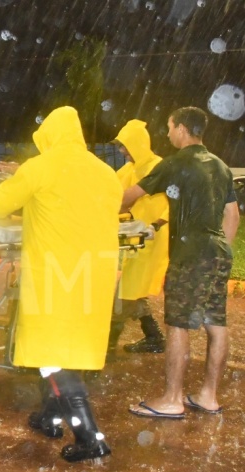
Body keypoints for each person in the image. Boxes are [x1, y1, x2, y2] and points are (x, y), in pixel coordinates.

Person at [0, 106, 122, 462]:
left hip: (56, 276)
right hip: (94, 277)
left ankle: (90, 438)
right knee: (71, 348)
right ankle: (49, 417)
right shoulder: (106, 173)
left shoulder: (42, 167)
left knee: (53, 357)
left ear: (49, 135)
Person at [123, 106, 240, 419]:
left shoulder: (175, 164)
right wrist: (219, 250)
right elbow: (232, 215)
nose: (167, 133)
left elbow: (130, 196)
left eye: (170, 127)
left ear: (182, 129)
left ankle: (172, 399)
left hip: (190, 255)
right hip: (218, 253)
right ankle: (208, 396)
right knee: (216, 324)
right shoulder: (220, 165)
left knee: (177, 324)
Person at [108, 120, 170, 358]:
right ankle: (153, 337)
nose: (122, 151)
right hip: (137, 238)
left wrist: (155, 225)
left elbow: (173, 203)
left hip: (155, 238)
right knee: (135, 287)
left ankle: (106, 349)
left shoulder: (159, 167)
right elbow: (111, 189)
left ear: (138, 144)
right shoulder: (130, 169)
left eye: (125, 146)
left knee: (126, 291)